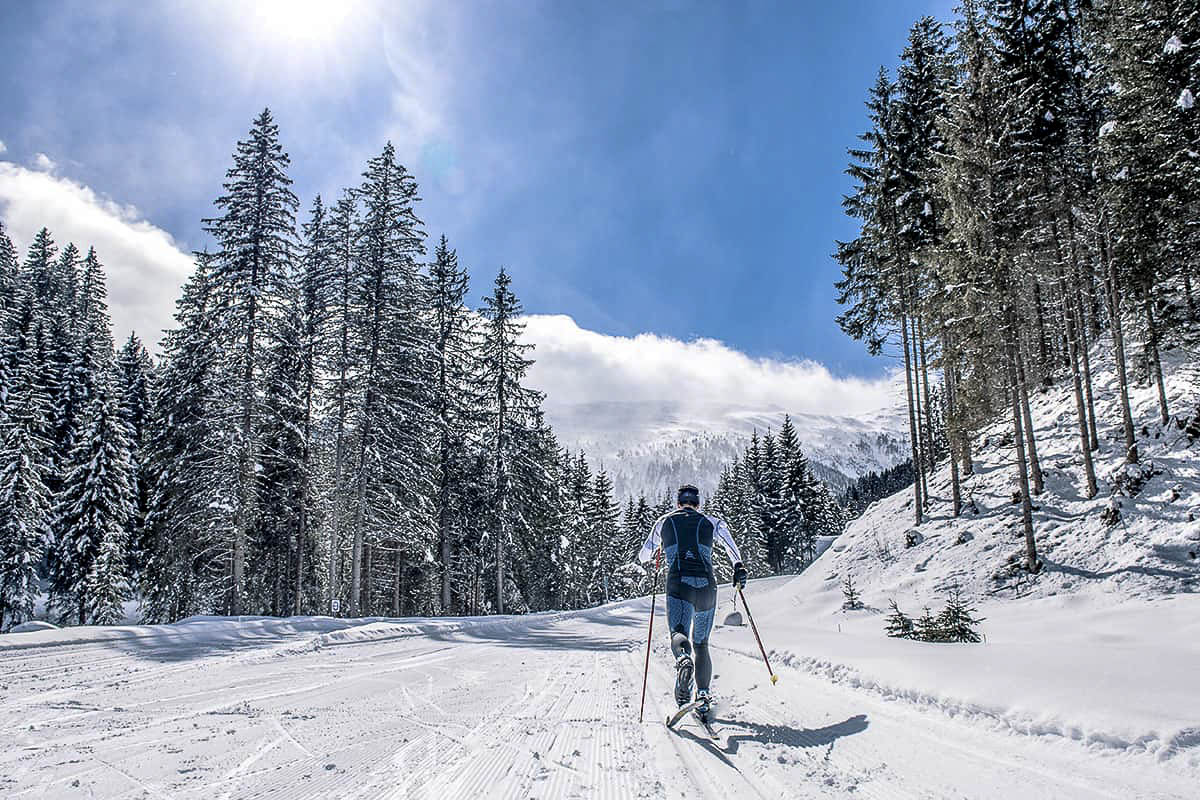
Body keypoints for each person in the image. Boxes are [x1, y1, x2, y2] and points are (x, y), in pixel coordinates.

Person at [639, 483, 747, 721]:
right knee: (702, 643)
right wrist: (738, 567)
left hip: (679, 584)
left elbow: (643, 556)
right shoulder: (712, 522)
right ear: (698, 504)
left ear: (678, 503)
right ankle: (704, 696)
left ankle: (682, 659)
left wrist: (659, 549)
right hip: (707, 586)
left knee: (678, 632)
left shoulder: (664, 522)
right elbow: (732, 549)